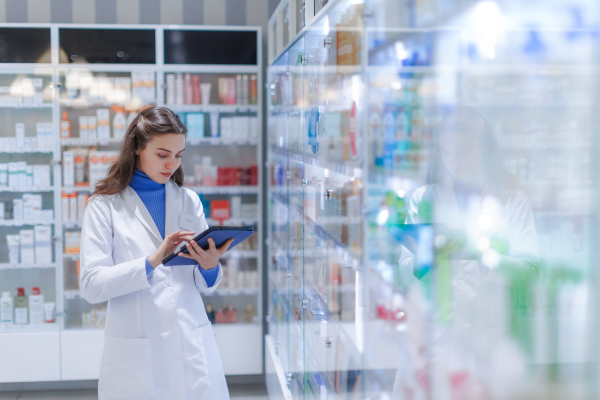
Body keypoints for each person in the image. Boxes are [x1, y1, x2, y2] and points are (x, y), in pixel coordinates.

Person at [79, 107, 233, 400]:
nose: (171, 164)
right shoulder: (104, 206)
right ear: (137, 148)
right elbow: (92, 285)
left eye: (179, 155)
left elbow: (206, 284)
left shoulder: (188, 200)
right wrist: (151, 262)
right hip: (137, 354)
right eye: (163, 155)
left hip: (190, 344)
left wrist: (210, 266)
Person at [394, 106, 540, 399]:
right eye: (446, 152)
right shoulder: (425, 198)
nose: (454, 161)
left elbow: (530, 269)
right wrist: (437, 252)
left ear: (484, 149)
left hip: (489, 335)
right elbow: (404, 269)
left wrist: (483, 257)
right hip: (432, 335)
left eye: (463, 150)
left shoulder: (512, 200)